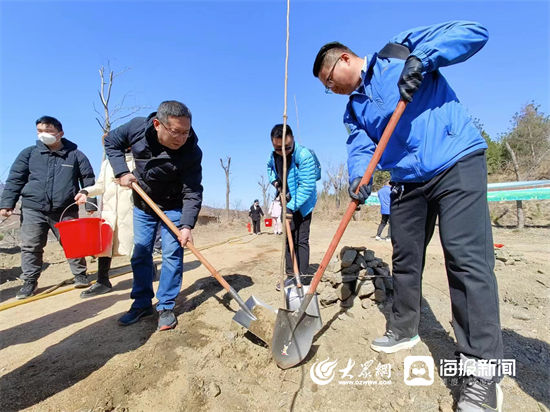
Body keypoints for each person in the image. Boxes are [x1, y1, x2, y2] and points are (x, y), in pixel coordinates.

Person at [313, 21, 503, 411]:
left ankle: (483, 373)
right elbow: (360, 147)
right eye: (327, 87)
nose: (331, 90)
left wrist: (422, 60)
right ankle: (404, 329)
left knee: (467, 263)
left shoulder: (397, 52)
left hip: (455, 162)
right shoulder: (354, 111)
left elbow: (474, 32)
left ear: (345, 59)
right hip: (406, 182)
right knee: (404, 260)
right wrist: (356, 178)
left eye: (330, 80)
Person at [104, 100, 203, 331]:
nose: (181, 138)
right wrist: (121, 171)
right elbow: (111, 142)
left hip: (174, 205)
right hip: (143, 202)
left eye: (186, 132)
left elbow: (193, 191)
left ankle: (166, 305)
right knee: (140, 253)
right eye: (176, 132)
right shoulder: (137, 128)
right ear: (158, 124)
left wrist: (187, 226)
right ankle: (141, 303)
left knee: (171, 253)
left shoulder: (191, 152)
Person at [0, 116, 95, 299]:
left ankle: (80, 275)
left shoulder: (75, 155)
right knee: (31, 246)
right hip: (33, 208)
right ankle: (29, 282)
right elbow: (15, 180)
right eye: (39, 131)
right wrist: (7, 204)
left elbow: (88, 180)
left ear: (60, 133)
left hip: (65, 208)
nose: (43, 135)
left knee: (72, 242)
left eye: (48, 131)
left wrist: (90, 203)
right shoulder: (29, 154)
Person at [74, 147, 135, 298]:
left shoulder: (137, 161)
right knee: (104, 247)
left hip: (130, 213)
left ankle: (143, 277)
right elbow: (100, 185)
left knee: (134, 246)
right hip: (109, 213)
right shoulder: (108, 163)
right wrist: (86, 192)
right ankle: (102, 282)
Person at [267, 124, 318, 285]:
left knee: (300, 239)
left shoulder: (304, 155)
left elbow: (307, 186)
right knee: (288, 239)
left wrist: (291, 207)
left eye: (287, 148)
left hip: (303, 204)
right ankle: (290, 275)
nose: (282, 151)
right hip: (286, 200)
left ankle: (302, 277)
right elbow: (269, 168)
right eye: (277, 148)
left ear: (293, 139)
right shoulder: (274, 156)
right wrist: (276, 183)